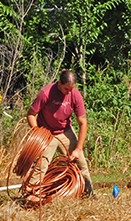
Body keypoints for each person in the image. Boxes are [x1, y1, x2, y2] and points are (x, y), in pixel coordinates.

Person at [26, 69, 93, 198]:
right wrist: (38, 133)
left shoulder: (75, 95)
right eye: (66, 89)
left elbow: (83, 123)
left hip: (65, 131)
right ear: (60, 83)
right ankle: (30, 195)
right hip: (46, 133)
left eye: (71, 89)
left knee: (81, 164)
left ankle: (88, 195)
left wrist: (78, 149)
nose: (69, 92)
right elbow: (31, 114)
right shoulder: (45, 93)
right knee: (41, 165)